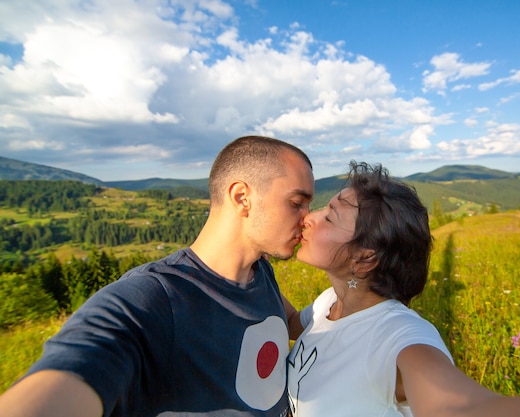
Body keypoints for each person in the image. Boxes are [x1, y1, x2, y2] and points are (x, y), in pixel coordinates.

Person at [0, 136, 315, 417]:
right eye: (297, 203)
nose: (307, 218)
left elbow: (287, 321)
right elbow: (74, 370)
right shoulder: (153, 297)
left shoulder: (260, 271)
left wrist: (346, 303)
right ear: (242, 198)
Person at [283, 161, 520, 417]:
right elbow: (289, 324)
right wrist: (252, 261)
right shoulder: (330, 302)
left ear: (364, 258)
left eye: (330, 217)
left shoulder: (399, 336)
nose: (309, 218)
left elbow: (459, 406)